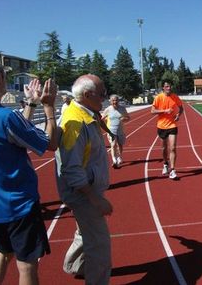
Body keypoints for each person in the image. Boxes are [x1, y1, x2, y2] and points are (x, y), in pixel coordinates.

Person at [0, 60, 58, 284]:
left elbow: (14, 136)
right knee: (27, 264)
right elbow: (50, 143)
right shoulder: (5, 117)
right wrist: (48, 107)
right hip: (19, 204)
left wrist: (29, 103)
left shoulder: (2, 118)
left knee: (3, 253)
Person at [55, 74, 113, 284]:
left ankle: (75, 265)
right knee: (99, 245)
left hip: (87, 189)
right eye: (102, 93)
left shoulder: (87, 114)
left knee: (84, 230)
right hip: (83, 193)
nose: (104, 98)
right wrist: (95, 199)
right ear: (87, 95)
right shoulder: (75, 123)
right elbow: (71, 168)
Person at [151, 80, 183, 179]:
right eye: (167, 86)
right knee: (164, 148)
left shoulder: (175, 97)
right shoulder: (159, 97)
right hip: (161, 126)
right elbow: (152, 111)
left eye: (170, 86)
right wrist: (164, 110)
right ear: (163, 88)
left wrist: (178, 114)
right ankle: (165, 163)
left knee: (172, 147)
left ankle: (172, 170)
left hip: (172, 125)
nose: (169, 88)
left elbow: (181, 108)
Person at [101, 94, 130, 168]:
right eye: (113, 100)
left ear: (118, 101)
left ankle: (119, 157)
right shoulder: (108, 109)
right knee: (113, 145)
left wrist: (124, 119)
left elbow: (128, 118)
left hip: (120, 130)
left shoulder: (122, 109)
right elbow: (101, 118)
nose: (115, 102)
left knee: (120, 145)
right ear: (110, 101)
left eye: (116, 100)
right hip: (111, 130)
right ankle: (114, 160)